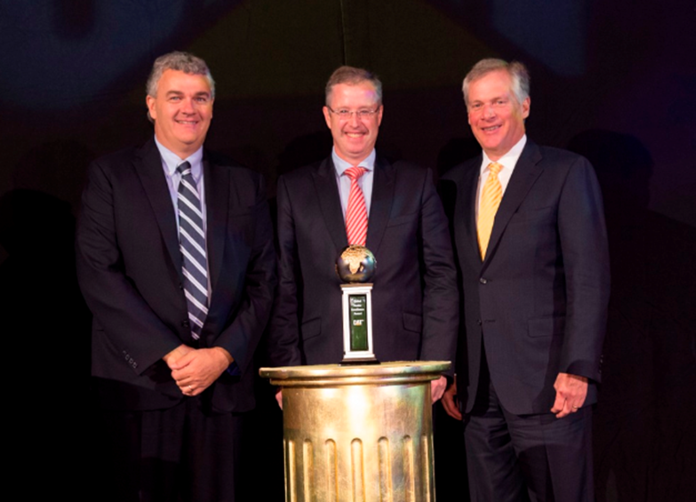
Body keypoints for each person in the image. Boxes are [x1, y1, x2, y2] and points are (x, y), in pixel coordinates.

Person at [77, 51, 276, 501]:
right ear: (151, 105)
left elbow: (266, 280)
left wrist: (222, 355)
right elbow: (98, 274)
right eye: (175, 97)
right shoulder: (111, 177)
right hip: (142, 389)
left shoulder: (244, 183)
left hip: (223, 392)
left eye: (200, 97)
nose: (190, 108)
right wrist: (173, 353)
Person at [440, 58, 609, 501]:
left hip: (549, 386)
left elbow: (588, 278)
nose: (487, 114)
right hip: (478, 393)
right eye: (477, 104)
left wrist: (578, 368)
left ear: (525, 105)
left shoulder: (565, 172)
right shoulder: (454, 185)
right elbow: (459, 285)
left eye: (499, 101)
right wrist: (454, 368)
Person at [269, 66, 458, 404]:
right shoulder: (294, 190)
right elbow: (284, 284)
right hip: (319, 367)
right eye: (344, 111)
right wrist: (287, 371)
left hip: (404, 367)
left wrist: (436, 366)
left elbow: (441, 277)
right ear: (328, 116)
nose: (354, 122)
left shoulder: (415, 184)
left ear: (380, 114)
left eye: (364, 111)